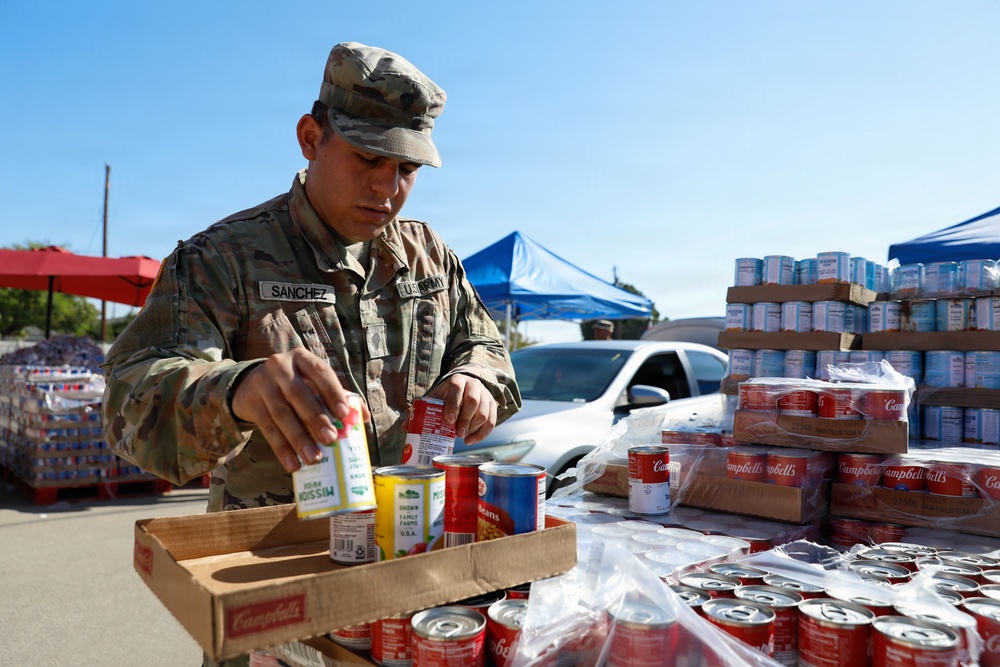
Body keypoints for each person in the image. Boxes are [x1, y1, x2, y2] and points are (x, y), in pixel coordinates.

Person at [101, 42, 521, 518]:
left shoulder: (429, 255)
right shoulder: (222, 257)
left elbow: (486, 346)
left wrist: (477, 378)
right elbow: (127, 403)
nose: (387, 187)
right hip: (279, 556)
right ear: (310, 137)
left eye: (406, 169)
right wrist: (238, 390)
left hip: (412, 537)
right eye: (367, 157)